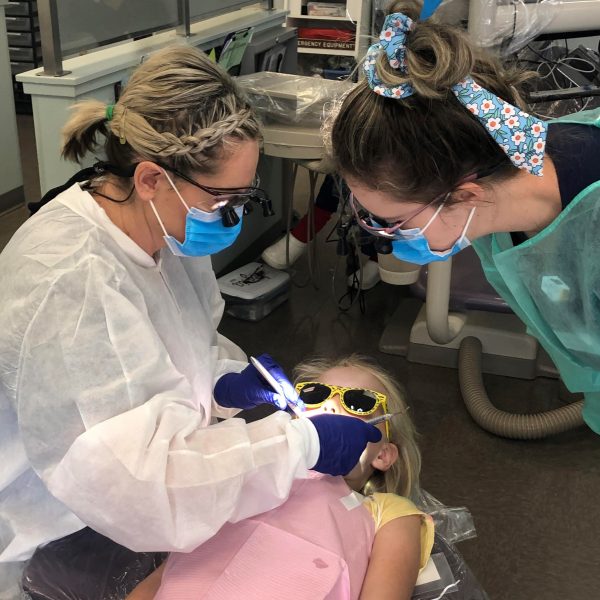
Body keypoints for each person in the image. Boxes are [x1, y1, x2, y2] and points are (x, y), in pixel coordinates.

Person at [0, 46, 382, 597]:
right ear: (153, 177)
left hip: (131, 495)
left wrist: (224, 382)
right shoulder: (70, 284)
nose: (234, 215)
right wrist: (301, 447)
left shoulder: (163, 228)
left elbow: (176, 345)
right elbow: (142, 485)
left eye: (243, 197)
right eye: (225, 198)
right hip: (61, 522)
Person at [329, 0, 600, 435]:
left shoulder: (589, 221)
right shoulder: (504, 177)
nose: (389, 239)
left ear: (464, 195)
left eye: (393, 223)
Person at [126, 355, 433, 600]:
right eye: (316, 394)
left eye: (359, 402)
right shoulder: (249, 476)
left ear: (384, 455)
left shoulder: (387, 512)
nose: (330, 404)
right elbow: (168, 573)